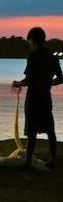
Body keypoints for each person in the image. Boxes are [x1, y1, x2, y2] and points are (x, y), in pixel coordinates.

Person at [12, 27, 63, 170]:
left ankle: (28, 162)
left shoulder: (33, 57)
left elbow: (28, 80)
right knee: (50, 131)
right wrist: (49, 83)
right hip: (46, 98)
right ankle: (52, 160)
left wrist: (18, 83)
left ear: (33, 41)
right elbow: (60, 78)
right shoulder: (53, 58)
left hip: (33, 99)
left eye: (29, 41)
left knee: (32, 132)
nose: (29, 44)